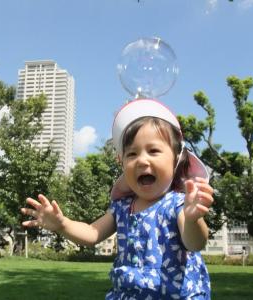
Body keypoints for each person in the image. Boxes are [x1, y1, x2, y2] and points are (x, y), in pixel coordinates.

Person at [21, 99, 214, 299]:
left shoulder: (177, 204)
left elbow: (195, 243)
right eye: (131, 154)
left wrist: (193, 219)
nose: (142, 160)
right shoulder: (122, 208)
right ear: (121, 163)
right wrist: (62, 224)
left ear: (176, 158)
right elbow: (92, 233)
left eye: (154, 151)